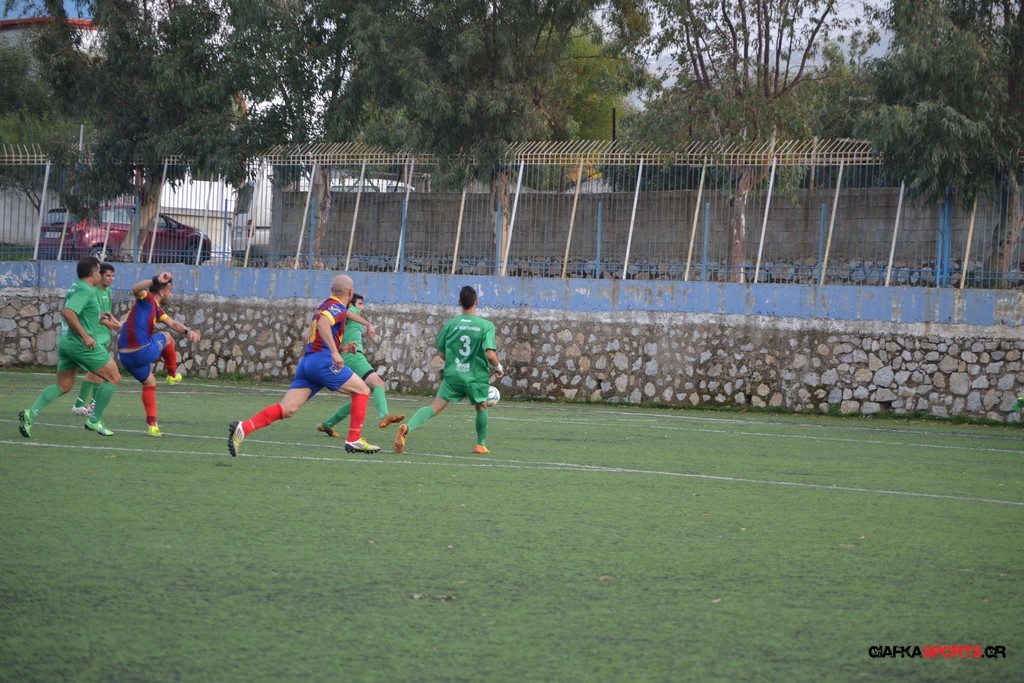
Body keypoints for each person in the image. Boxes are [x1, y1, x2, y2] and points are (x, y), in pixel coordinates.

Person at [228, 274, 380, 456]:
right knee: (362, 390)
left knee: (287, 409)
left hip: (308, 363)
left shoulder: (324, 306)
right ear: (350, 292)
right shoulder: (337, 307)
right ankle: (354, 439)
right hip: (323, 362)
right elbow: (324, 325)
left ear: (331, 290)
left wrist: (341, 349)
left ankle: (244, 428)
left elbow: (321, 336)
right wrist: (334, 352)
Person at [19, 256, 122, 437]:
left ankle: (30, 413)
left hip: (66, 343)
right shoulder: (86, 290)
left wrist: (99, 318)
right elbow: (69, 312)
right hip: (80, 344)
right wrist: (85, 336)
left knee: (63, 385)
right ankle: (94, 420)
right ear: (92, 273)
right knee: (114, 377)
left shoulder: (75, 286)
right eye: (99, 271)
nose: (100, 275)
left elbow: (76, 312)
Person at [394, 285, 504, 455]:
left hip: (453, 376)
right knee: (481, 406)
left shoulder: (451, 324)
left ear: (459, 302)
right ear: (476, 302)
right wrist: (498, 367)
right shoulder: (486, 326)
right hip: (475, 378)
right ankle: (480, 444)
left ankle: (408, 426)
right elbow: (490, 354)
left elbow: (442, 351)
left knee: (435, 407)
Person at [117, 272, 201, 436]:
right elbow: (135, 289)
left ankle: (152, 426)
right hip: (142, 352)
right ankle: (172, 375)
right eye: (170, 291)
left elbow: (173, 323)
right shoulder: (147, 299)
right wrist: (155, 280)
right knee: (167, 336)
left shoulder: (156, 310)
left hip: (126, 358)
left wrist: (188, 331)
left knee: (150, 383)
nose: (171, 294)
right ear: (162, 292)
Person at [316, 292, 404, 438]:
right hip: (354, 357)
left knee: (359, 396)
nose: (362, 308)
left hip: (347, 356)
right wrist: (369, 324)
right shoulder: (351, 311)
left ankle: (327, 424)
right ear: (351, 304)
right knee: (378, 383)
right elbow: (348, 312)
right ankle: (384, 415)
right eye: (360, 304)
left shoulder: (346, 319)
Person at [71, 262, 121, 416]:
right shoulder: (92, 292)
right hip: (94, 335)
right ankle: (79, 404)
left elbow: (106, 313)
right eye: (107, 275)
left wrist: (115, 323)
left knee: (100, 373)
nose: (110, 278)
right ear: (99, 275)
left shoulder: (109, 292)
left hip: (104, 335)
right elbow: (91, 316)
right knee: (95, 372)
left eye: (113, 276)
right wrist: (106, 323)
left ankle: (92, 404)